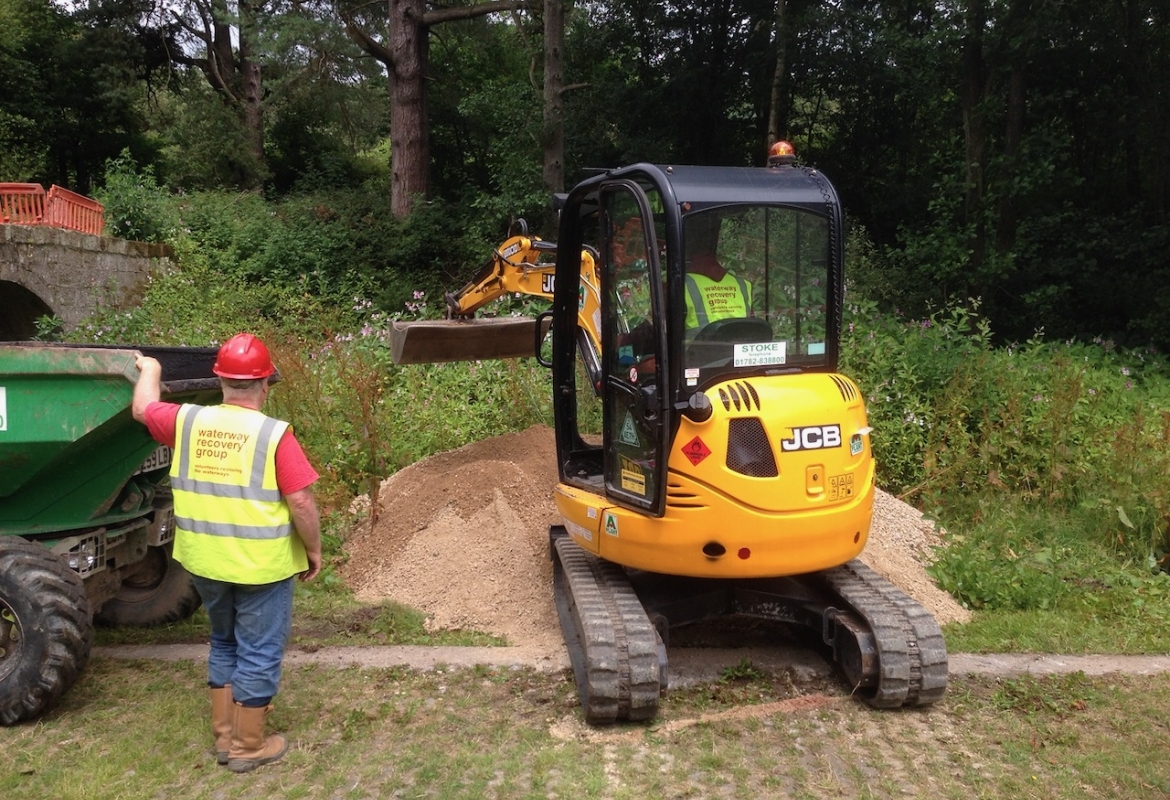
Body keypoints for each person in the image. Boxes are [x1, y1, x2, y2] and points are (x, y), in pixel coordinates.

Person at [131, 333, 322, 774]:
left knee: (224, 640)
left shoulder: (187, 421)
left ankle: (224, 735)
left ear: (220, 381)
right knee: (258, 649)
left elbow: (141, 408)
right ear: (265, 384)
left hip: (205, 562)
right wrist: (313, 549)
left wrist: (152, 371)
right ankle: (247, 744)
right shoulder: (274, 435)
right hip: (261, 567)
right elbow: (302, 502)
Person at [683, 215, 753, 334]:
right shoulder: (743, 285)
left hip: (695, 352)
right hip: (736, 352)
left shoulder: (679, 286)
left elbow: (659, 332)